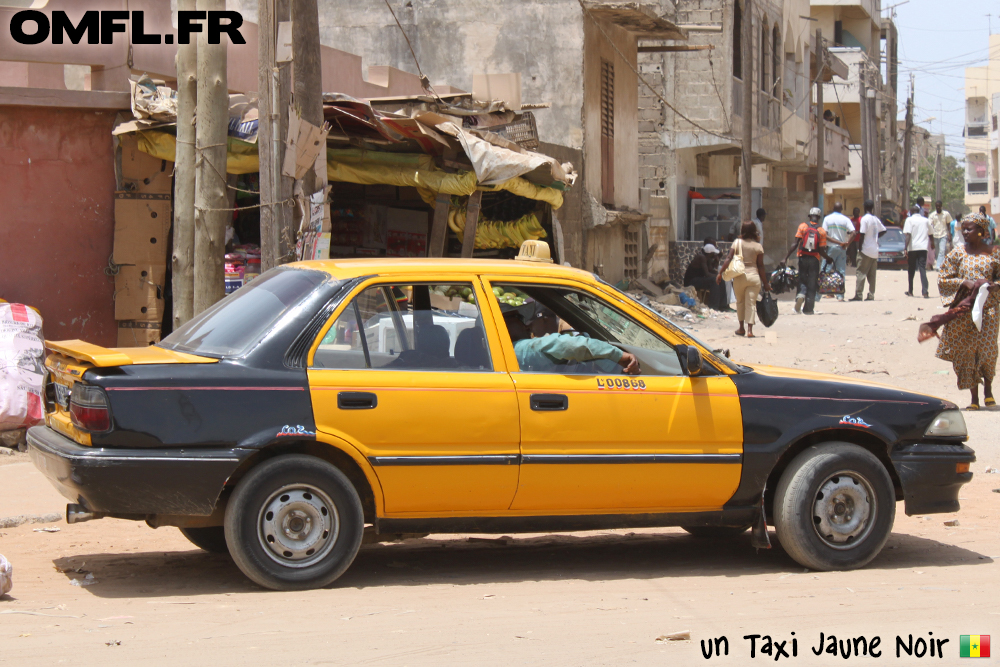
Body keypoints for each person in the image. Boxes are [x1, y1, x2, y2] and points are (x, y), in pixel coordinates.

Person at [934, 213, 1000, 410]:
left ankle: (988, 388)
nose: (965, 232)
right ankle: (974, 397)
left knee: (987, 349)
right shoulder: (957, 253)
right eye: (963, 229)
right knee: (966, 351)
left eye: (969, 229)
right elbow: (943, 278)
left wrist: (995, 285)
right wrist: (964, 282)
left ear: (981, 231)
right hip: (964, 310)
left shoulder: (994, 253)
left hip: (989, 309)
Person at [502, 308, 640, 374]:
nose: (526, 326)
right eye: (519, 319)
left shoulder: (505, 355)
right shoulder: (519, 348)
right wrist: (617, 355)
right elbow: (567, 345)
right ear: (503, 326)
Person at [717, 220, 771, 337]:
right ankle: (750, 330)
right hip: (754, 277)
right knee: (750, 303)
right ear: (754, 231)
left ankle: (741, 328)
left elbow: (728, 258)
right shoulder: (758, 246)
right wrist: (766, 283)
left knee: (740, 302)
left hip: (740, 277)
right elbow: (761, 266)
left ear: (742, 231)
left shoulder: (737, 243)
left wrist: (720, 273)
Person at [784, 207, 834, 314]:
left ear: (809, 216)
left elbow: (795, 243)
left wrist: (786, 257)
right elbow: (821, 250)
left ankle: (800, 295)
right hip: (814, 260)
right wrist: (828, 259)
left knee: (802, 279)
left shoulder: (803, 226)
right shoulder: (821, 231)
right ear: (819, 217)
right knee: (812, 282)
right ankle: (808, 308)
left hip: (802, 257)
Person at [850, 200, 886, 301]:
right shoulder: (875, 219)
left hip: (865, 250)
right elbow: (884, 230)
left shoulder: (865, 219)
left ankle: (859, 294)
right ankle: (871, 294)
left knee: (861, 273)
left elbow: (862, 235)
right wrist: (875, 238)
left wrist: (860, 249)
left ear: (865, 208)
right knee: (872, 275)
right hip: (874, 250)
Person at [821, 203, 855, 301]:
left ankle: (820, 294)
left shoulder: (827, 219)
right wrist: (846, 243)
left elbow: (825, 235)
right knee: (841, 272)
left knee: (825, 271)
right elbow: (854, 232)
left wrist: (839, 243)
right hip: (842, 249)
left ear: (833, 208)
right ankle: (840, 296)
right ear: (842, 209)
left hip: (831, 248)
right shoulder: (846, 219)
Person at [684, 239, 730, 311]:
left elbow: (712, 270)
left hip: (699, 279)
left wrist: (717, 261)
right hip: (691, 281)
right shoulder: (701, 257)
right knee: (714, 281)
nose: (714, 255)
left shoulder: (707, 258)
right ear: (710, 253)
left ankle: (722, 306)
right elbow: (707, 274)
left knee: (721, 280)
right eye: (713, 254)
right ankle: (713, 306)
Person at [903, 204, 931, 298]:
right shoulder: (926, 220)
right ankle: (925, 291)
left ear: (911, 212)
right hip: (923, 247)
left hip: (912, 248)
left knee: (911, 269)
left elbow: (908, 235)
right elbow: (931, 233)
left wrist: (905, 248)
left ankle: (910, 291)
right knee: (922, 268)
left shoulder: (909, 220)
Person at [928, 200, 954, 270]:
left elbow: (949, 224)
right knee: (937, 251)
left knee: (942, 251)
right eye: (937, 206)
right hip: (935, 235)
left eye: (939, 206)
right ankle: (938, 263)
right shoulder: (932, 215)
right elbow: (930, 226)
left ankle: (938, 266)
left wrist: (950, 234)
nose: (938, 207)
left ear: (941, 206)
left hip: (943, 234)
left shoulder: (946, 214)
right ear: (935, 206)